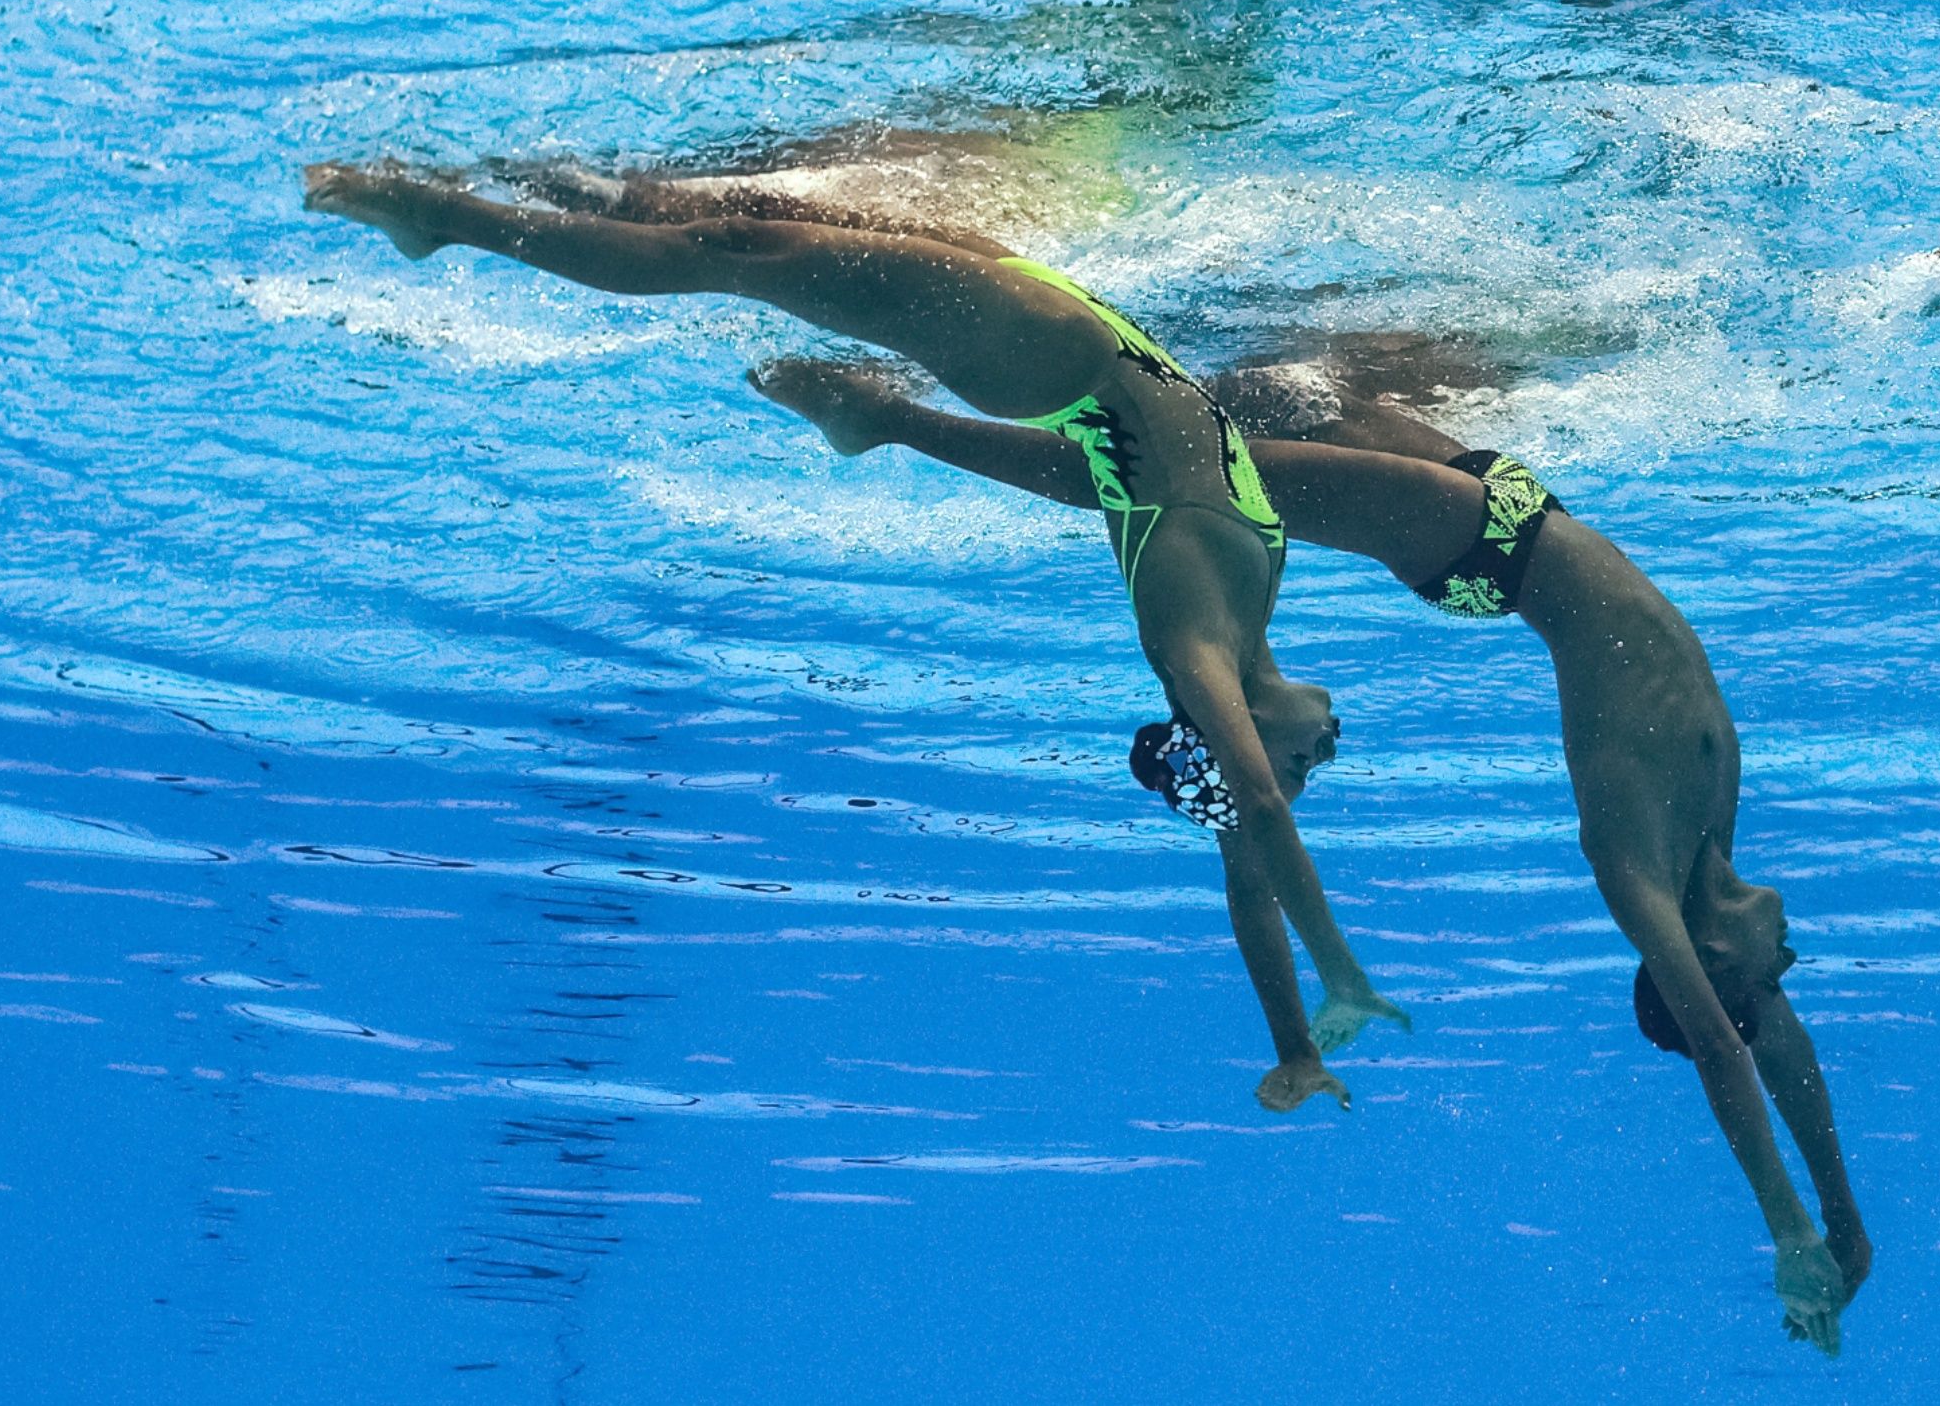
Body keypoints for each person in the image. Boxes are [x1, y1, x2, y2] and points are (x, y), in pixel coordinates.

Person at [752, 350, 1872, 1355]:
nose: (1791, 967)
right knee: (1284, 390)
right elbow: (1766, 1043)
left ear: (1709, 969)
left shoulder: (1636, 867)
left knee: (1168, 470)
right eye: (1778, 986)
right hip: (1515, 515)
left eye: (1766, 979)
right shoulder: (1711, 848)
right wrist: (1845, 1219)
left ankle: (886, 417)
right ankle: (1175, 359)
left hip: (1488, 546)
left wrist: (1785, 1232)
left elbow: (1731, 1059)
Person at [299, 161, 1407, 1113]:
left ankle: (442, 218)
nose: (1325, 750)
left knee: (734, 250)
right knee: (758, 235)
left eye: (1305, 761)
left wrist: (1343, 979)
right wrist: (1295, 1048)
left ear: (1238, 735)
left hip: (1046, 352)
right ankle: (577, 213)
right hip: (1073, 334)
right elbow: (1244, 864)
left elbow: (1256, 818)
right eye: (1312, 767)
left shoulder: (1193, 643)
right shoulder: (1247, 614)